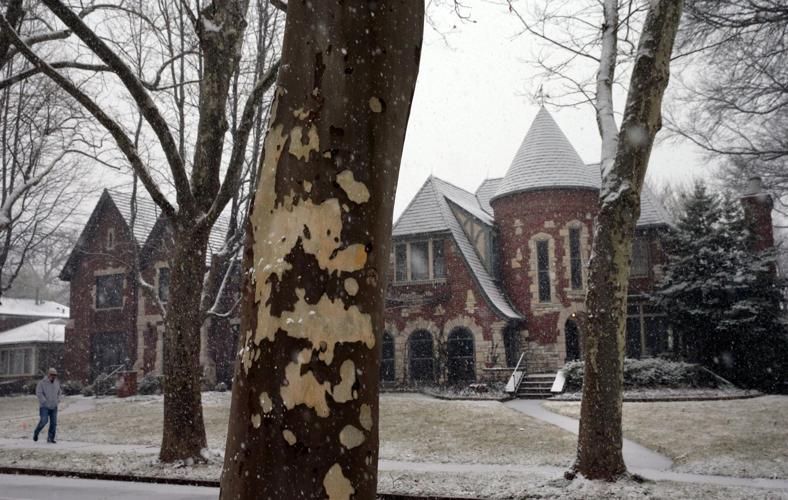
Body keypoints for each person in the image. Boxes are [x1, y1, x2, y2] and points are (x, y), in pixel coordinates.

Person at [34, 368, 62, 444]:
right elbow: (39, 392)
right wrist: (44, 401)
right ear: (48, 374)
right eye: (52, 374)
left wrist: (58, 400)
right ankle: (36, 432)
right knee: (44, 421)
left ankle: (50, 438)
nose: (53, 376)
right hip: (44, 406)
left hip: (54, 406)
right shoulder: (42, 383)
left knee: (53, 423)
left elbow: (59, 392)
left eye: (55, 375)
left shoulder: (57, 382)